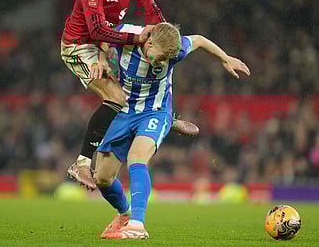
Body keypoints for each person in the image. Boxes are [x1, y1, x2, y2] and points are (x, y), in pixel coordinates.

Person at [61, 0, 198, 191]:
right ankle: (80, 163)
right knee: (115, 97)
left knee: (152, 63)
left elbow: (153, 12)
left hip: (107, 43)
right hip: (81, 45)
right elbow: (97, 29)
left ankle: (162, 115)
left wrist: (165, 38)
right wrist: (135, 38)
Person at [92, 22, 251, 239]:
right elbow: (102, 34)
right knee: (102, 178)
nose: (160, 62)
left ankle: (137, 225)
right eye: (157, 57)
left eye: (165, 60)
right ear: (148, 41)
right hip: (124, 111)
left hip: (154, 112)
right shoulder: (126, 34)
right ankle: (126, 214)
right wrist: (102, 59)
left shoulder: (178, 49)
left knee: (136, 157)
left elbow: (200, 39)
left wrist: (225, 58)